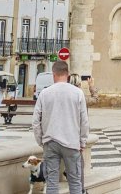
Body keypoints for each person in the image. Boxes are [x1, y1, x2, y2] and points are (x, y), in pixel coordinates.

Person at [31, 60, 89, 194]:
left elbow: (35, 121)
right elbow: (84, 121)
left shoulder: (45, 94)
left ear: (53, 74)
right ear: (67, 74)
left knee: (51, 183)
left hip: (50, 142)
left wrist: (41, 140)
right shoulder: (77, 93)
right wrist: (82, 141)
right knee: (75, 182)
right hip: (71, 142)